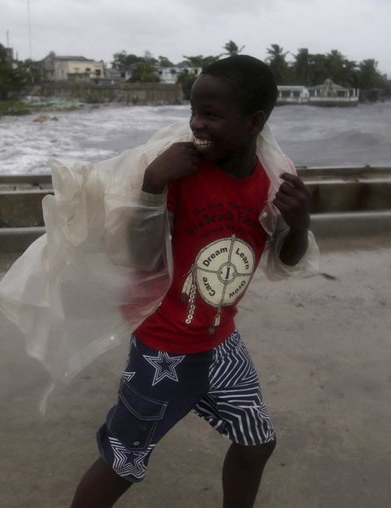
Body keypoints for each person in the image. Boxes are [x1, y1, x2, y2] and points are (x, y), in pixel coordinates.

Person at [68, 54, 317, 508]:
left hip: (220, 341)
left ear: (253, 122)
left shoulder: (275, 180)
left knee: (256, 442)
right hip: (163, 346)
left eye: (211, 115)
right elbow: (136, 255)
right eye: (193, 111)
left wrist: (299, 224)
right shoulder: (178, 173)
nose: (196, 125)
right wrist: (151, 185)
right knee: (122, 462)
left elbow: (286, 259)